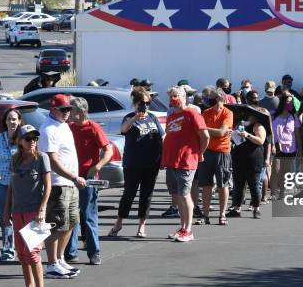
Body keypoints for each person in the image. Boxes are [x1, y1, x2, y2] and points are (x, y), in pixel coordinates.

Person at [3, 125, 51, 287]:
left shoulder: (42, 158)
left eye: (35, 138)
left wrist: (42, 208)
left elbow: (48, 186)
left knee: (33, 253)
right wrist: (6, 209)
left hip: (34, 211)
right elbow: (10, 187)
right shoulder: (15, 160)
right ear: (19, 141)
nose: (33, 142)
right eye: (28, 138)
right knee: (22, 254)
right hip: (18, 211)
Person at [39, 94, 85, 278]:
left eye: (69, 110)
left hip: (70, 183)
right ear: (53, 109)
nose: (67, 113)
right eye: (64, 110)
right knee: (56, 225)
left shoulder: (63, 125)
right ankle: (51, 264)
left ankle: (59, 260)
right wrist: (73, 176)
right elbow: (52, 160)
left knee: (71, 222)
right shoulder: (48, 129)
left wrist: (74, 179)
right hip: (59, 184)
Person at [65, 97, 112, 265]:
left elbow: (108, 150)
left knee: (88, 215)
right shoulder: (69, 128)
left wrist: (97, 167)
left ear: (82, 112)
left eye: (72, 110)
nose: (69, 113)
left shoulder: (93, 128)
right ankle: (70, 252)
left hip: (88, 176)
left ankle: (94, 252)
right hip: (71, 176)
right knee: (72, 215)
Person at [110, 88, 163, 238]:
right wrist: (135, 118)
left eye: (147, 103)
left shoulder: (152, 117)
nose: (145, 106)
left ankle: (142, 226)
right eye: (142, 103)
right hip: (133, 163)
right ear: (135, 103)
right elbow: (123, 130)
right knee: (129, 193)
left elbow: (162, 136)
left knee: (146, 195)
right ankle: (119, 223)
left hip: (152, 163)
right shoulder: (129, 117)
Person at [161, 86, 209, 242]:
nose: (172, 99)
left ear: (183, 96)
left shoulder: (192, 114)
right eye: (170, 97)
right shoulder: (172, 115)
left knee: (185, 194)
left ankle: (188, 230)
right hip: (172, 161)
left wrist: (199, 153)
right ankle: (182, 228)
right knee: (178, 196)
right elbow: (170, 136)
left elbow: (205, 136)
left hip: (186, 161)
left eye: (175, 96)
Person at [196, 87, 233, 225]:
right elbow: (200, 132)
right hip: (207, 151)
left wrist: (204, 130)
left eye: (211, 98)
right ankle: (205, 215)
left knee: (223, 184)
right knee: (206, 184)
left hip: (222, 152)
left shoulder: (227, 113)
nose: (208, 100)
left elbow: (221, 133)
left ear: (220, 99)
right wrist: (207, 131)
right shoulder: (206, 112)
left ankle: (222, 214)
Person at [0, 108, 23, 261]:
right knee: (5, 218)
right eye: (9, 119)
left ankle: (24, 248)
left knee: (21, 216)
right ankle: (8, 249)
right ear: (5, 121)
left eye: (14, 119)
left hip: (20, 184)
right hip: (2, 183)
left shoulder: (24, 137)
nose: (12, 122)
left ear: (19, 121)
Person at [227, 113, 267, 218]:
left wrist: (248, 135)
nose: (247, 117)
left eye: (249, 115)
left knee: (254, 185)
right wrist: (232, 134)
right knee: (238, 185)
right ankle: (236, 209)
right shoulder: (240, 125)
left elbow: (261, 141)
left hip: (253, 159)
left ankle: (256, 209)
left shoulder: (258, 126)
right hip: (239, 158)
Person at [271, 92, 301, 199]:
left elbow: (297, 134)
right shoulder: (274, 116)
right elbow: (270, 133)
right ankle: (273, 193)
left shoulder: (293, 117)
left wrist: (299, 148)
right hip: (278, 147)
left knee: (285, 172)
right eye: (288, 102)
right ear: (283, 103)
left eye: (291, 102)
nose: (290, 104)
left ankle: (282, 193)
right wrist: (272, 145)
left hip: (290, 148)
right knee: (276, 170)